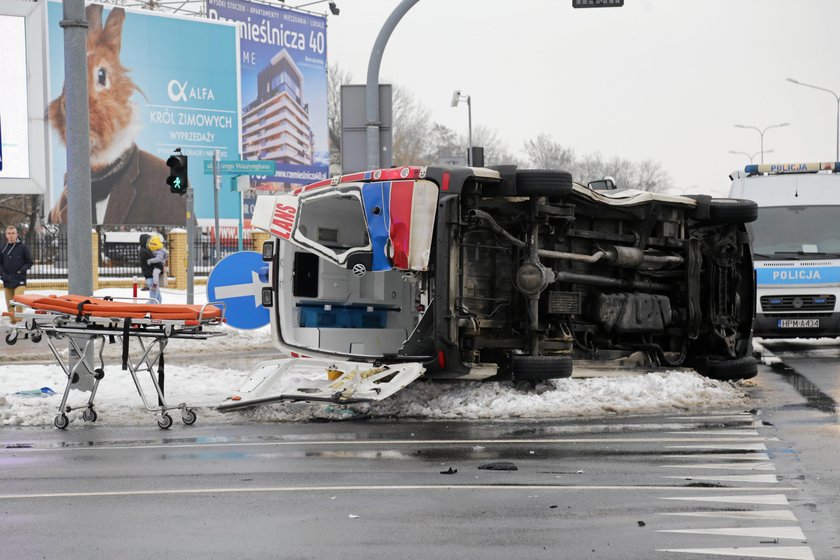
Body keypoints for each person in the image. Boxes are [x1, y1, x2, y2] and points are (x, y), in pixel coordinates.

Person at [1, 225, 33, 324]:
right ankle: (13, 324)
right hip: (7, 280)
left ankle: (19, 324)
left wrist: (21, 271)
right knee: (10, 305)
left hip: (20, 280)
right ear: (6, 235)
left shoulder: (23, 247)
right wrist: (2, 274)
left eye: (13, 233)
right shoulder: (2, 248)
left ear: (17, 234)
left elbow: (29, 262)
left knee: (19, 303)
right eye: (9, 233)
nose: (11, 235)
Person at [146, 235, 168, 302]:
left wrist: (150, 260)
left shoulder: (160, 251)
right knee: (154, 273)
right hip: (157, 265)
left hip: (159, 266)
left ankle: (155, 284)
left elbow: (158, 259)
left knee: (155, 273)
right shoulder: (156, 249)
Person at [138, 233, 155, 300]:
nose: (150, 242)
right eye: (149, 241)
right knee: (154, 298)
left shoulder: (146, 250)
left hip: (150, 275)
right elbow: (153, 260)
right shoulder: (144, 251)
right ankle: (149, 309)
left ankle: (152, 308)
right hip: (150, 275)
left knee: (156, 298)